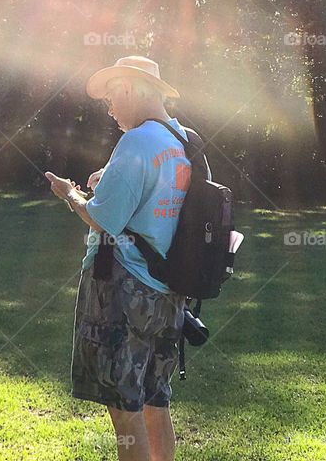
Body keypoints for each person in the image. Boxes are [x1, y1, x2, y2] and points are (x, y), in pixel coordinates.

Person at [45, 56, 198, 461]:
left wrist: (70, 193)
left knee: (123, 407)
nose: (110, 108)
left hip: (124, 289)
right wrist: (106, 179)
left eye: (112, 96)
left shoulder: (137, 141)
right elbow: (156, 198)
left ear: (131, 89)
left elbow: (102, 218)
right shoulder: (183, 141)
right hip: (169, 290)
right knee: (155, 400)